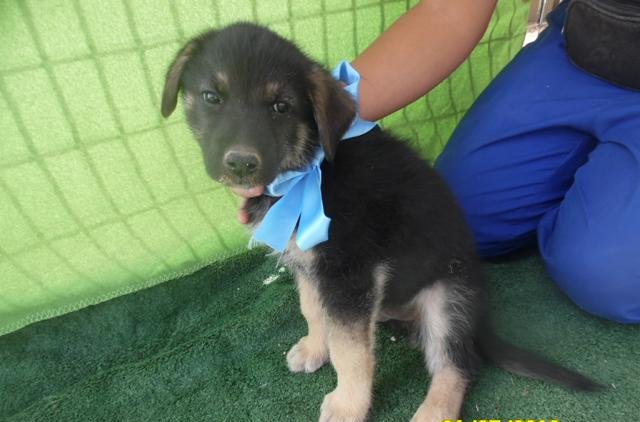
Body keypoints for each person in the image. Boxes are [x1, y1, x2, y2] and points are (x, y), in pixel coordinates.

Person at [233, 0, 640, 324]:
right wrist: (318, 116)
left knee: (604, 277)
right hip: (584, 45)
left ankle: (602, 211)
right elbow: (449, 10)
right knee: (454, 221)